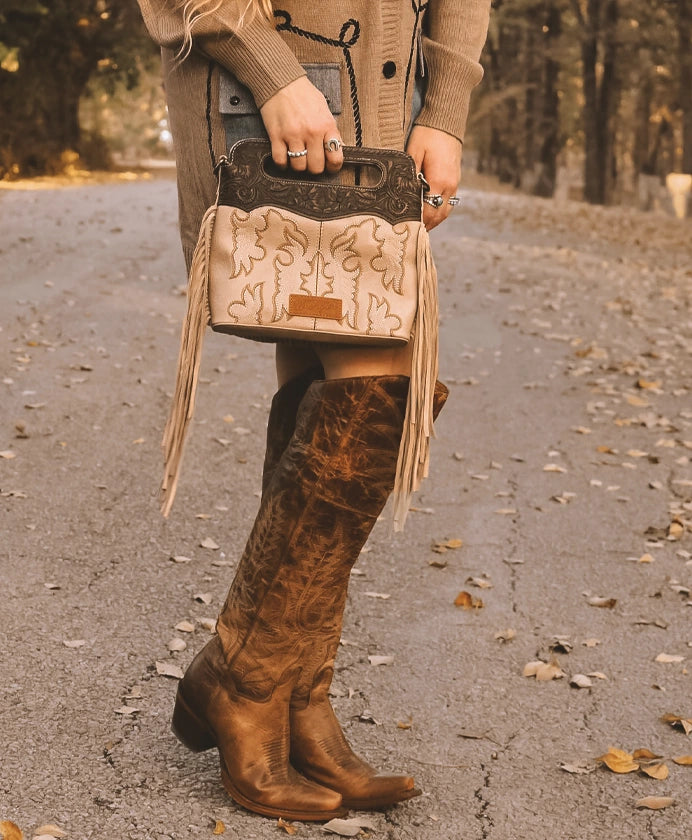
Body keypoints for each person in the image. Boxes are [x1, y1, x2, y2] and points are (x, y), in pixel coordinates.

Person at [136, 0, 491, 822]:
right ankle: (250, 680)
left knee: (330, 358)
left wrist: (446, 109)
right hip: (270, 90)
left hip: (384, 95)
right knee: (380, 381)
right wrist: (272, 71)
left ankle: (288, 694)